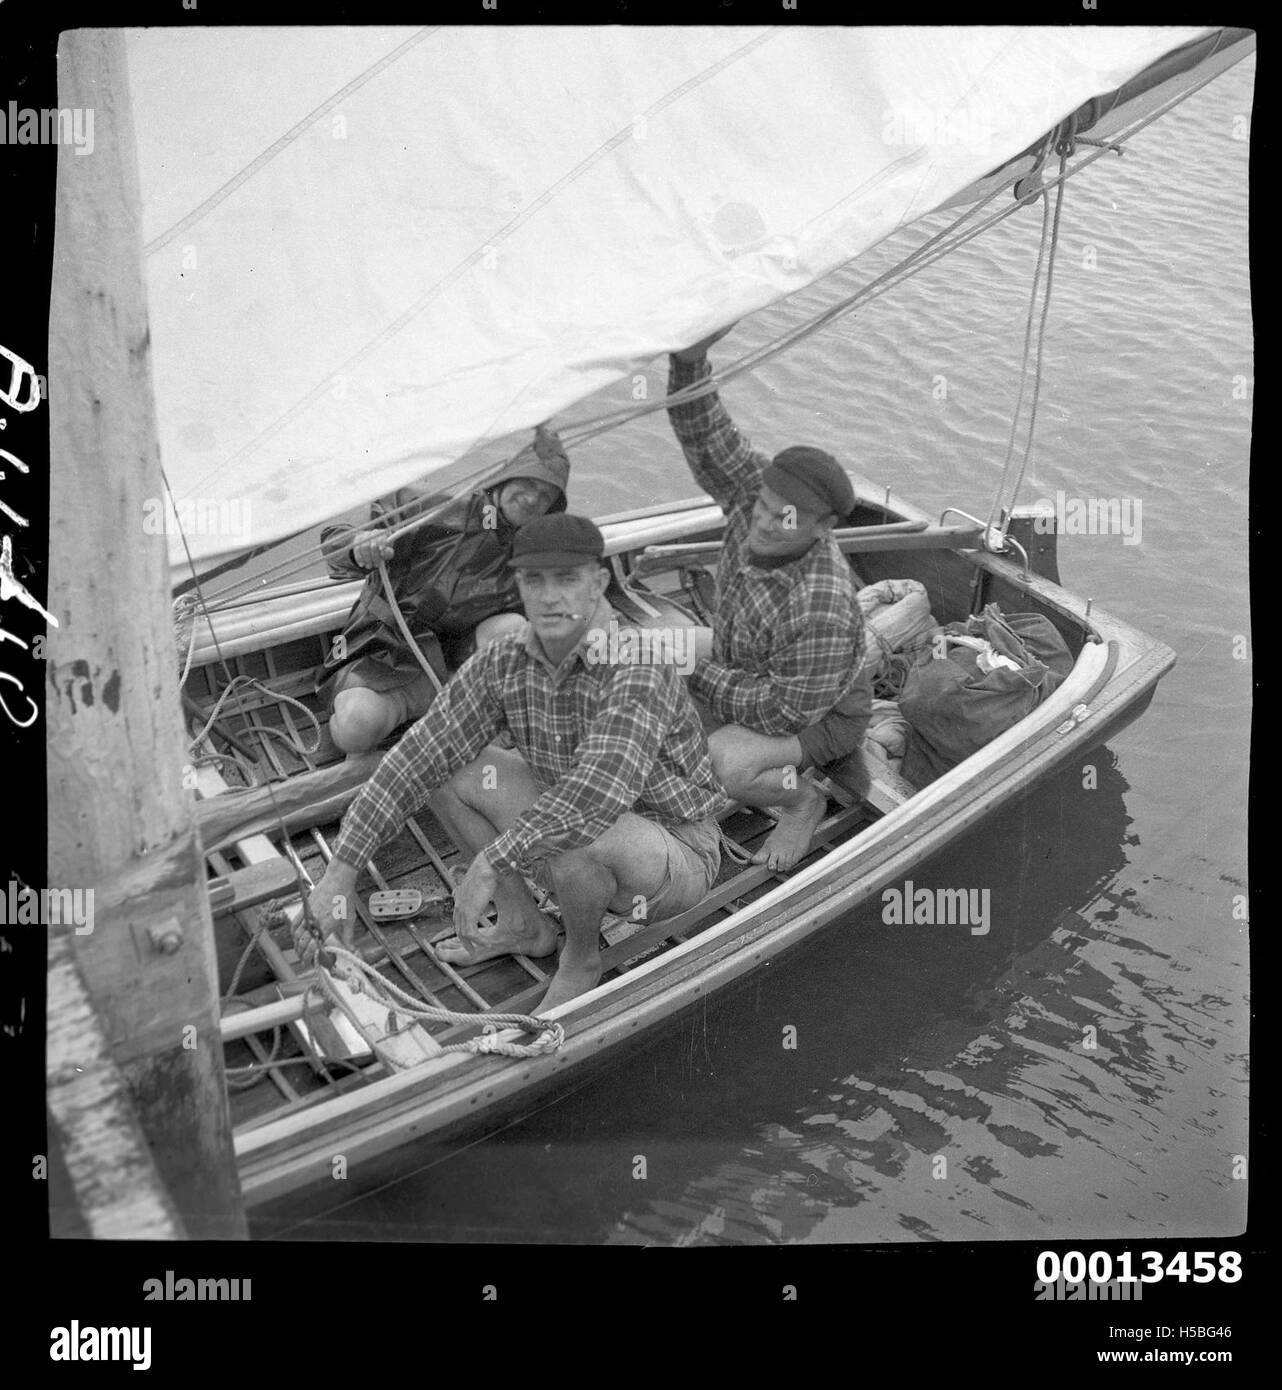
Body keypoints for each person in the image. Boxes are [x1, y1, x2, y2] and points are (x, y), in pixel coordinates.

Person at [306, 514, 726, 1011]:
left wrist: (491, 860)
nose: (550, 597)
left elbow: (595, 796)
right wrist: (341, 872)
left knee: (580, 830)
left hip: (673, 854)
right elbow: (419, 754)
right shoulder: (504, 660)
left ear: (600, 583)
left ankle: (581, 957)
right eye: (534, 580)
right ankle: (522, 922)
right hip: (563, 832)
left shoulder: (636, 667)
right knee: (447, 764)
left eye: (567, 579)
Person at [664, 325, 872, 870]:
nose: (763, 522)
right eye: (763, 505)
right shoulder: (759, 492)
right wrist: (689, 361)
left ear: (824, 527)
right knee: (642, 650)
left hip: (817, 715)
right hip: (744, 662)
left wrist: (694, 671)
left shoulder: (822, 601)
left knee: (726, 761)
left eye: (787, 518)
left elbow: (780, 712)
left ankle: (802, 800)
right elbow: (706, 437)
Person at [316, 425, 570, 754]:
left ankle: (461, 716)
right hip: (383, 653)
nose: (534, 498)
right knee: (356, 728)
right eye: (529, 483)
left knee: (515, 630)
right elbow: (334, 538)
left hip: (455, 669)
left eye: (546, 495)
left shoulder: (531, 555)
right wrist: (359, 544)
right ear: (507, 477)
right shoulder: (436, 509)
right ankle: (426, 718)